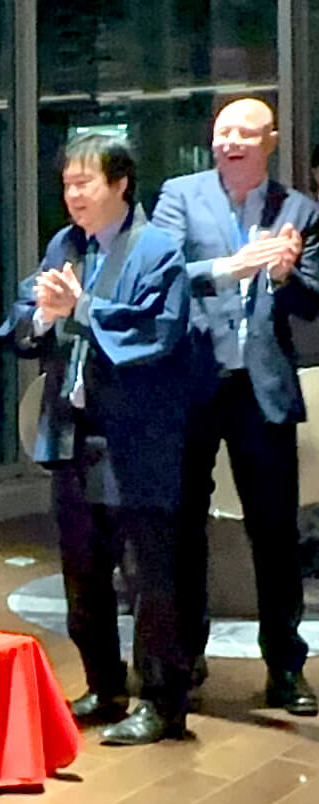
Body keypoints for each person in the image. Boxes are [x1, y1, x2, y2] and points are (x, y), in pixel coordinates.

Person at [0, 134, 195, 745]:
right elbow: (23, 318)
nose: (73, 195)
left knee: (150, 576)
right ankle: (103, 685)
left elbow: (157, 336)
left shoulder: (160, 250)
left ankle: (162, 702)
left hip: (137, 439)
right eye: (67, 183)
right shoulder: (65, 245)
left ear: (120, 184)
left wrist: (81, 308)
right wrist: (45, 316)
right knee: (83, 570)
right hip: (73, 431)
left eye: (85, 183)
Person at [153, 98, 319, 716]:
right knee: (183, 526)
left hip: (262, 389)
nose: (232, 142)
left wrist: (282, 277)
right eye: (223, 132)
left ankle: (284, 668)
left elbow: (311, 305)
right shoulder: (180, 194)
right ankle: (184, 657)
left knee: (275, 533)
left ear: (270, 141)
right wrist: (231, 267)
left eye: (246, 133)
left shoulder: (300, 211)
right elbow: (161, 272)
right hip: (193, 382)